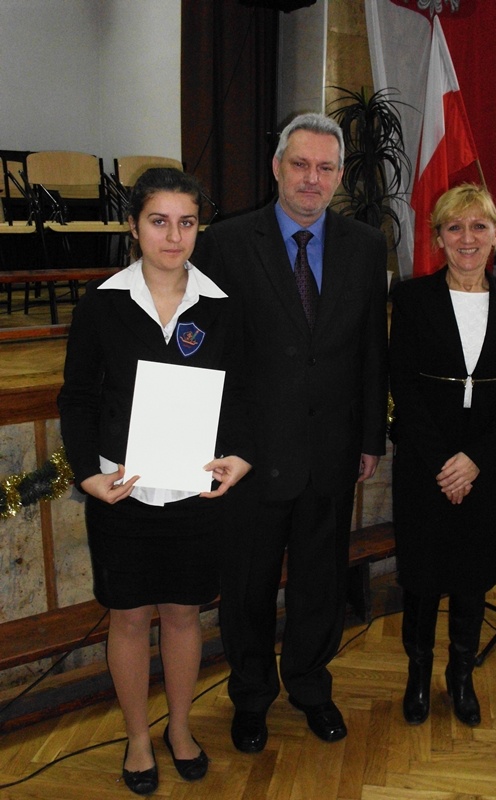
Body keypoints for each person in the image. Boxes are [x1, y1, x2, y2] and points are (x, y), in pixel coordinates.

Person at [195, 112, 389, 751]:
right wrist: (219, 444)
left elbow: (371, 349)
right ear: (277, 167)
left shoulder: (366, 246)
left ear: (340, 175)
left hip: (331, 451)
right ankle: (251, 696)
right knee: (247, 588)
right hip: (251, 455)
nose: (312, 178)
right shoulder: (226, 243)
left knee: (320, 584)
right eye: (300, 164)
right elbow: (210, 353)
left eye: (325, 167)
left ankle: (310, 685)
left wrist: (370, 437)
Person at [58, 168, 253, 795]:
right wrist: (88, 475)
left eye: (186, 223)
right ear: (134, 226)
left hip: (195, 492)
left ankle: (181, 728)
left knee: (183, 615)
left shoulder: (221, 306)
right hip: (123, 493)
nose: (174, 237)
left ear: (199, 228)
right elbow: (78, 399)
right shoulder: (102, 305)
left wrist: (241, 456)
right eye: (159, 221)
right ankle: (138, 738)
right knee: (128, 620)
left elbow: (242, 395)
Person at [389, 183, 496, 727]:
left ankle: (461, 675)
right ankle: (418, 675)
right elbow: (403, 386)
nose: (467, 238)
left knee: (473, 574)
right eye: (455, 227)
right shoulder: (411, 298)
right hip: (425, 460)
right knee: (422, 576)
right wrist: (444, 463)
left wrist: (474, 459)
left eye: (479, 226)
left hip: (488, 461)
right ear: (439, 238)